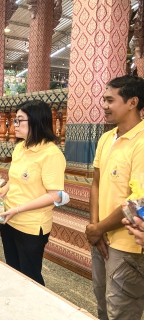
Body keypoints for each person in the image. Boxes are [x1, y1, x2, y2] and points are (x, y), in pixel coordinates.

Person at [85, 75, 144, 320]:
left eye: (110, 100)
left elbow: (137, 201)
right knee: (102, 303)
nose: (104, 106)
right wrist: (95, 227)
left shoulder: (141, 142)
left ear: (132, 102)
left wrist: (98, 227)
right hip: (102, 238)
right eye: (104, 100)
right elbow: (96, 182)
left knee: (121, 311)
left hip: (128, 245)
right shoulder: (106, 138)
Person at [0, 100, 66, 286]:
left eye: (20, 120)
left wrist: (19, 209)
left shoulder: (51, 154)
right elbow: (15, 178)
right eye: (15, 120)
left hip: (31, 225)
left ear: (36, 121)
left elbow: (55, 195)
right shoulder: (21, 147)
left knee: (30, 277)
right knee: (13, 269)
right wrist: (3, 191)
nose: (14, 125)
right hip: (9, 218)